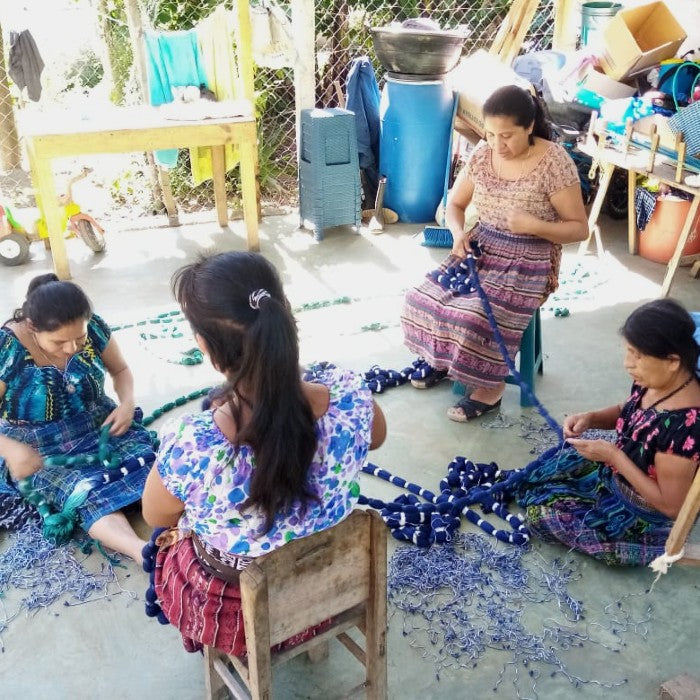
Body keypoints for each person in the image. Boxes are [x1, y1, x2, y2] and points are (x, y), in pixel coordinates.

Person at [141, 251, 386, 655]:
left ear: (206, 347)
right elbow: (375, 437)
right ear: (286, 317)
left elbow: (156, 515)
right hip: (336, 584)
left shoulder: (194, 442)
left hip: (236, 617)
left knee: (164, 539)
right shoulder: (348, 396)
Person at [401, 85, 588, 422]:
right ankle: (446, 362)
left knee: (475, 316)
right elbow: (455, 205)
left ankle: (491, 388)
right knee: (421, 298)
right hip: (481, 246)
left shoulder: (554, 162)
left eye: (508, 136)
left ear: (529, 127)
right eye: (490, 134)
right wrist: (458, 234)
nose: (498, 145)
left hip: (530, 260)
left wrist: (534, 225)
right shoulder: (483, 154)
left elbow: (578, 228)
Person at [514, 299, 700, 566]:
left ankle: (646, 545)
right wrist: (591, 419)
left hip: (643, 509)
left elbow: (671, 506)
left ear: (672, 361)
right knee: (535, 477)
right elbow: (629, 409)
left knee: (542, 516)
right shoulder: (657, 380)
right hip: (619, 470)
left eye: (637, 355)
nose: (628, 363)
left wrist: (613, 457)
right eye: (629, 351)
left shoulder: (686, 428)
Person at [0, 274, 154, 561]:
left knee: (151, 464)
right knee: (82, 491)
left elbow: (120, 370)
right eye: (59, 342)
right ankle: (141, 551)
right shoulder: (7, 349)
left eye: (79, 339)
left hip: (97, 423)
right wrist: (11, 450)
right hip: (38, 445)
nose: (72, 349)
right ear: (32, 327)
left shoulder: (92, 326)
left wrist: (127, 403)